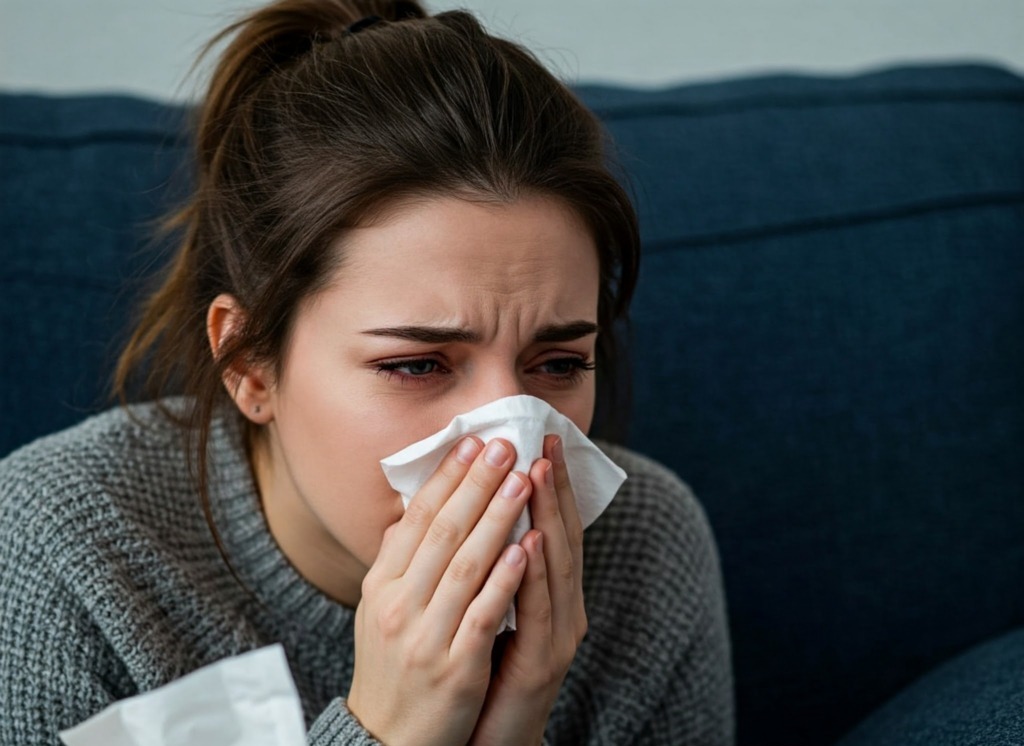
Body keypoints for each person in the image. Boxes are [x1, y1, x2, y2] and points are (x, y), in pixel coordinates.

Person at [0, 1, 733, 744]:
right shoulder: (62, 550)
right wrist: (390, 731)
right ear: (250, 364)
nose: (507, 443)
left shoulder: (644, 549)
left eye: (558, 362)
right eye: (416, 364)